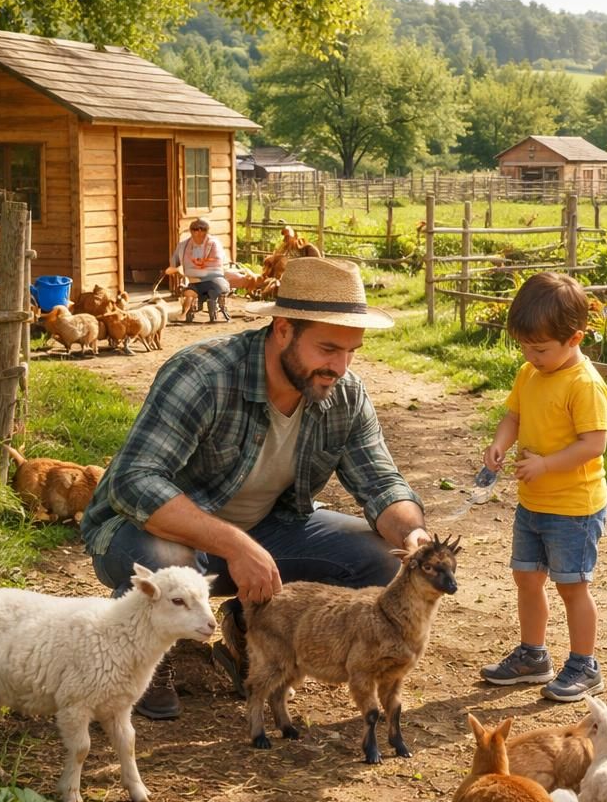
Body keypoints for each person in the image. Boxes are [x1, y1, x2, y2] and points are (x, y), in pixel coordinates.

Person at [81, 256, 432, 719]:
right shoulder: (204, 375)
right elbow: (133, 483)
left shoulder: (344, 393)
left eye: (352, 351)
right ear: (283, 330)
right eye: (328, 349)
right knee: (171, 563)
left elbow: (381, 481)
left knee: (379, 561)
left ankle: (248, 635)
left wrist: (413, 537)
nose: (341, 367)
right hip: (155, 536)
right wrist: (235, 545)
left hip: (269, 532)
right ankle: (140, 657)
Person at [479, 272, 607, 702]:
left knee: (572, 585)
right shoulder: (529, 373)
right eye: (525, 347)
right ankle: (534, 655)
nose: (531, 356)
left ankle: (583, 664)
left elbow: (594, 443)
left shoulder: (583, 384)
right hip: (533, 501)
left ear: (575, 337)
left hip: (574, 506)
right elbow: (514, 417)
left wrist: (547, 464)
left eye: (540, 348)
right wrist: (500, 444)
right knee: (526, 577)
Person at [165, 218, 238, 324]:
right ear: (191, 231)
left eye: (203, 229)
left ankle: (214, 313)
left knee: (216, 288)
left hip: (214, 280)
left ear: (208, 230)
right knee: (188, 293)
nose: (199, 232)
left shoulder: (214, 244)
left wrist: (191, 271)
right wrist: (175, 269)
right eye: (195, 229)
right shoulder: (182, 246)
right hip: (195, 283)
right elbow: (173, 265)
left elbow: (215, 266)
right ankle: (184, 315)